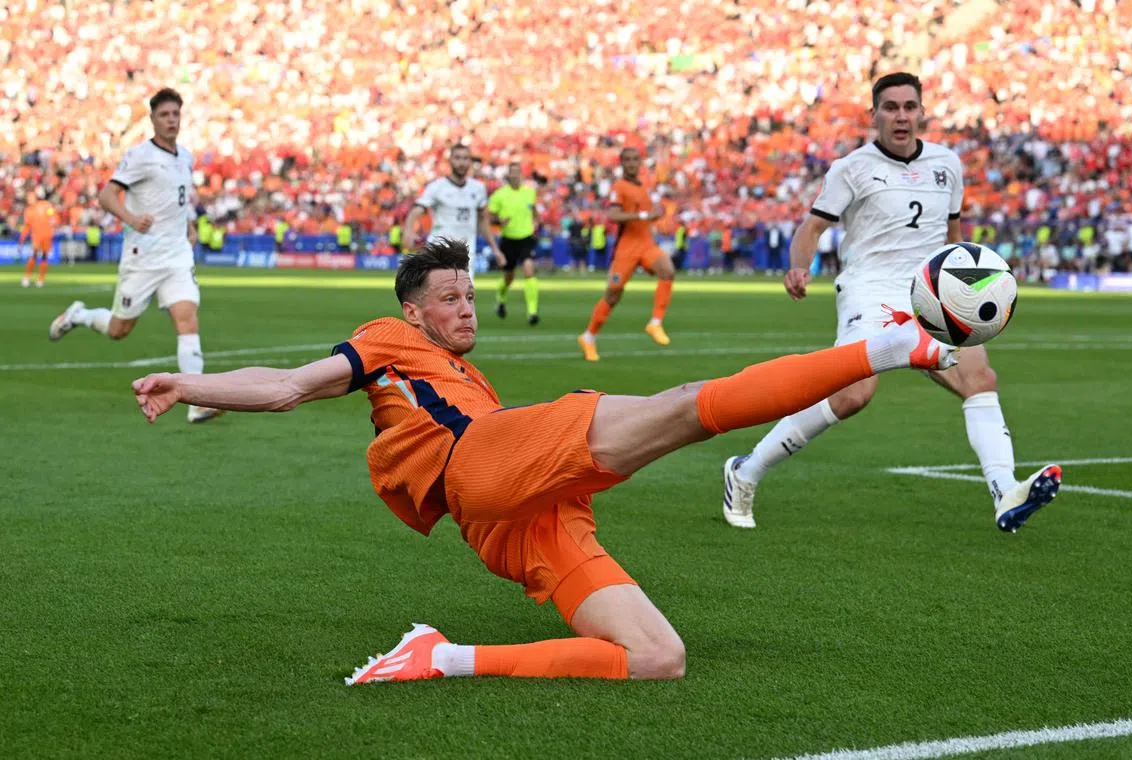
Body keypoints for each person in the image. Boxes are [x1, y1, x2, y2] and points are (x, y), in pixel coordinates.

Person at [131, 238, 956, 683]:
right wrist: (189, 379)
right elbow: (286, 386)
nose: (465, 309)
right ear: (412, 311)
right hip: (486, 463)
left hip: (507, 520)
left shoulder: (464, 372)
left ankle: (440, 656)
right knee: (683, 410)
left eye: (467, 294)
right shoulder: (389, 340)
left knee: (657, 659)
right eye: (448, 299)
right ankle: (883, 347)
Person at [722, 72, 1062, 534]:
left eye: (908, 106)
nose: (901, 116)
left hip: (934, 290)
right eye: (890, 107)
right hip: (871, 288)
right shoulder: (853, 167)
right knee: (852, 394)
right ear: (875, 114)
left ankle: (1005, 492)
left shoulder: (948, 164)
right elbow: (811, 228)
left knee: (979, 377)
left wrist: (970, 285)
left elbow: (954, 237)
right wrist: (798, 266)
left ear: (922, 112)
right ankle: (745, 472)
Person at [48, 87, 222, 424]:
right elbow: (107, 195)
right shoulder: (140, 156)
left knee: (187, 319)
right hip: (143, 257)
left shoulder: (185, 155)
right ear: (153, 119)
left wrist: (189, 224)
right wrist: (130, 219)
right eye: (164, 115)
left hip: (176, 257)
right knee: (119, 329)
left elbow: (180, 197)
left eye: (175, 114)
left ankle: (197, 401)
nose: (171, 120)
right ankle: (79, 315)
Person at [578, 147, 676, 362]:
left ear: (640, 163)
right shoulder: (619, 187)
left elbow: (647, 216)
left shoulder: (643, 187)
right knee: (613, 295)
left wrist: (655, 215)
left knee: (667, 271)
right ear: (622, 163)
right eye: (628, 160)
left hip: (646, 243)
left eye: (635, 159)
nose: (632, 163)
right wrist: (644, 214)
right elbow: (613, 214)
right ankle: (589, 337)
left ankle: (655, 323)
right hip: (627, 248)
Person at [403, 143, 504, 282]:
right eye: (457, 158)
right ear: (450, 160)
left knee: (466, 300)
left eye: (465, 158)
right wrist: (408, 230)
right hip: (440, 252)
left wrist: (495, 249)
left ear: (470, 161)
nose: (461, 162)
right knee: (439, 297)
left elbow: (483, 221)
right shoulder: (437, 187)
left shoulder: (478, 188)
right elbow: (416, 210)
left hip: (466, 254)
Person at [488, 162, 540, 324]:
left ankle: (532, 312)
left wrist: (536, 222)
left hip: (526, 237)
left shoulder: (530, 192)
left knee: (528, 268)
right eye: (513, 173)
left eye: (518, 172)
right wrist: (498, 221)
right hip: (508, 240)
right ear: (508, 176)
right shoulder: (499, 195)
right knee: (508, 277)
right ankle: (501, 297)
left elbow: (534, 210)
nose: (516, 175)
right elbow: (489, 217)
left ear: (522, 175)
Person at [19, 193, 57, 288]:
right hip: (36, 236)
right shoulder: (28, 211)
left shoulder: (45, 204)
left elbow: (53, 215)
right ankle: (27, 277)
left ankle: (41, 279)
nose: (29, 199)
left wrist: (54, 222)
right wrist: (22, 239)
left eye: (30, 197)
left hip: (47, 235)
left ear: (35, 197)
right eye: (28, 198)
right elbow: (27, 226)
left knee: (44, 256)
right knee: (34, 254)